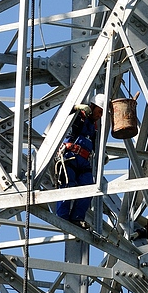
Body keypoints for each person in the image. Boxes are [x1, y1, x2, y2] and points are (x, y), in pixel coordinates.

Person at [55, 94, 105, 227]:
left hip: (84, 160)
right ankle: (62, 218)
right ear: (92, 107)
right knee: (67, 185)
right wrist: (77, 107)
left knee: (88, 188)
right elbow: (63, 112)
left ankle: (77, 218)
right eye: (99, 111)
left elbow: (93, 144)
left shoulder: (94, 127)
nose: (100, 115)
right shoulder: (79, 117)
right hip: (71, 155)